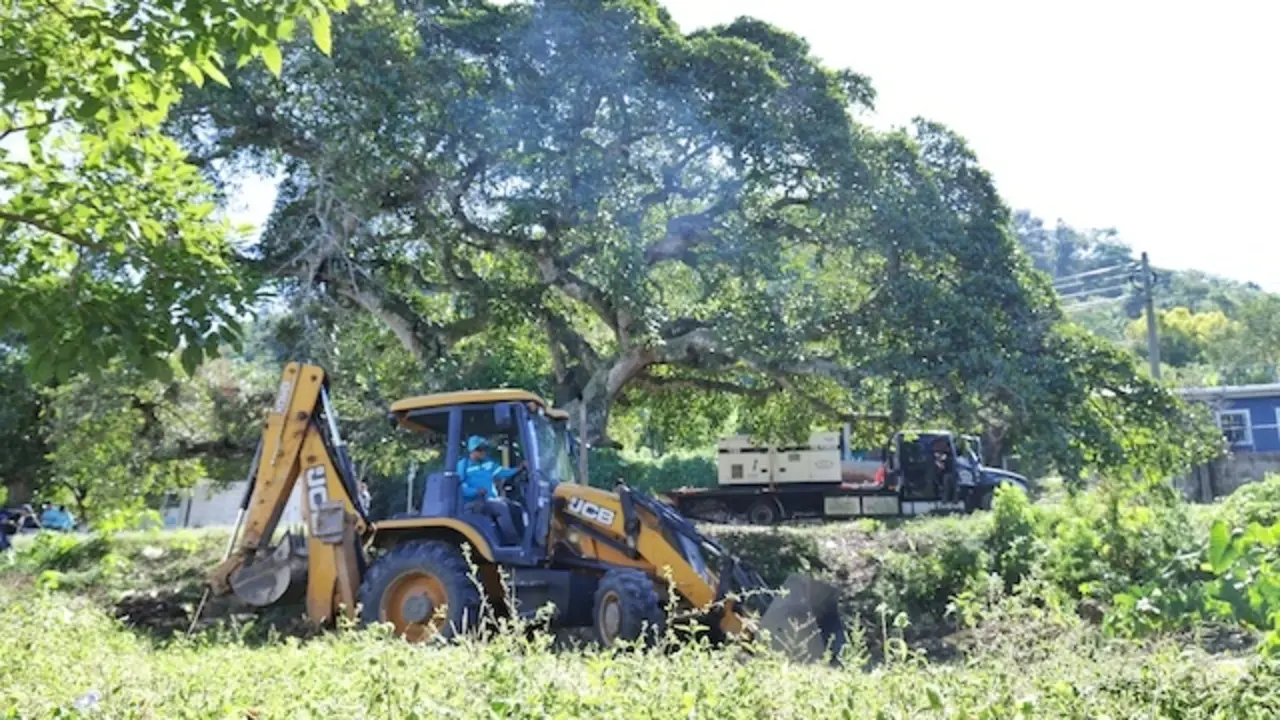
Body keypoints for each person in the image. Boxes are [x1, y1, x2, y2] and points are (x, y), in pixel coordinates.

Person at [456, 435, 523, 542]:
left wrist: (519, 469)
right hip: (473, 502)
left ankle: (522, 538)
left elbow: (503, 472)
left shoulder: (488, 463)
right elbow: (460, 488)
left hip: (489, 499)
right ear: (472, 450)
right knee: (501, 508)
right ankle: (512, 542)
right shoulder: (462, 466)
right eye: (481, 450)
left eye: (485, 449)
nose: (484, 452)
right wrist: (476, 491)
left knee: (515, 506)